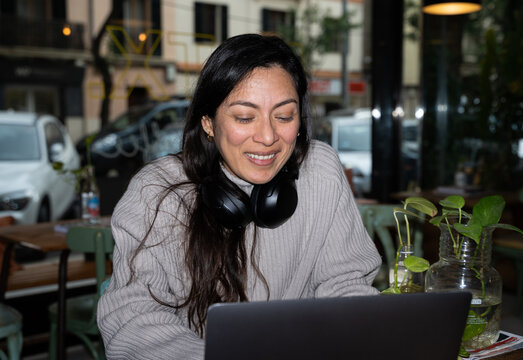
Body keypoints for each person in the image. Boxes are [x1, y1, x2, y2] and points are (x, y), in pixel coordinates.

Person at [97, 33, 381, 360]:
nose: (268, 137)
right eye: (245, 117)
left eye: (285, 116)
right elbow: (132, 316)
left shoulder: (320, 170)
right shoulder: (156, 190)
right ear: (208, 122)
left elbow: (345, 284)